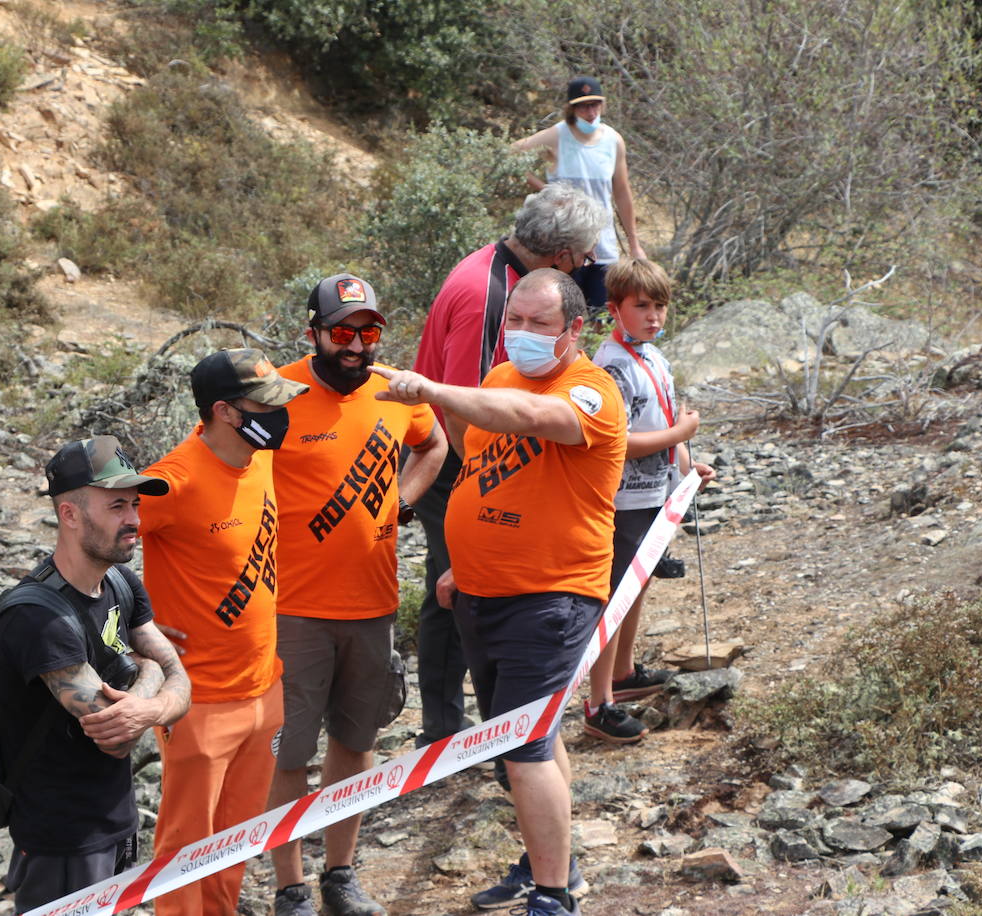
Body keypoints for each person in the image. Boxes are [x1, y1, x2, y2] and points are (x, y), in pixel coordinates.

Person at [371, 268, 627, 916]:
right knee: (530, 738)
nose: (520, 335)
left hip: (549, 596)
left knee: (523, 747)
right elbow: (482, 465)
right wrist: (467, 562)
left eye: (538, 324)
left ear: (574, 329)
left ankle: (551, 896)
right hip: (483, 592)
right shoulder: (499, 376)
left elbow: (532, 418)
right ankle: (556, 867)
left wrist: (433, 390)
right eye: (512, 320)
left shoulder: (591, 390)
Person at [267, 274, 446, 916]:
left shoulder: (398, 392)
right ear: (312, 332)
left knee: (356, 741)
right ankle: (289, 886)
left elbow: (434, 445)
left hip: (372, 606)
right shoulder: (275, 393)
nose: (356, 344)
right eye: (342, 331)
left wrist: (401, 499)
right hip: (292, 610)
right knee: (288, 749)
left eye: (368, 332)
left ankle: (339, 875)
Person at [411, 184, 607, 747]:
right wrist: (481, 478)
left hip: (480, 454)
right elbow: (462, 401)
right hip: (455, 461)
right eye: (586, 255)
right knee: (455, 590)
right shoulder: (489, 294)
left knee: (460, 586)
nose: (588, 265)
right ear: (563, 256)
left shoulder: (496, 269)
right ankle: (445, 730)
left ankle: (479, 724)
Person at [138, 348, 308, 915]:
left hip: (264, 690)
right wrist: (125, 632)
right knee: (184, 849)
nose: (281, 415)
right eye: (266, 405)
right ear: (225, 412)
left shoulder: (259, 458)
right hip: (198, 703)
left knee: (235, 840)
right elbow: (84, 544)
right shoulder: (172, 481)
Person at [0, 437, 191, 914]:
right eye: (117, 505)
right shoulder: (39, 618)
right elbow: (115, 736)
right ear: (70, 515)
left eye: (136, 505)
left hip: (116, 818)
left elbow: (179, 676)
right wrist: (150, 676)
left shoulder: (121, 581)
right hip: (63, 838)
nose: (135, 520)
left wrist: (150, 703)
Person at [584, 258, 716, 743]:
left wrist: (685, 465)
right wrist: (680, 432)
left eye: (660, 306)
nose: (654, 316)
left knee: (637, 584)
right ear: (615, 307)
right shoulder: (611, 366)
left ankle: (624, 671)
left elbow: (662, 427)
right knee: (614, 593)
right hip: (620, 498)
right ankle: (597, 702)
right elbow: (611, 442)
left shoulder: (654, 358)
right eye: (641, 306)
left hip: (654, 491)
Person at [512, 75, 646, 317]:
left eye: (595, 104)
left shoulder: (613, 141)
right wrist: (545, 190)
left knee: (600, 317)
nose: (591, 111)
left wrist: (634, 244)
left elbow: (622, 193)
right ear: (572, 108)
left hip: (602, 248)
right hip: (562, 248)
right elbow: (512, 153)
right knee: (559, 316)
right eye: (584, 105)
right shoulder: (558, 135)